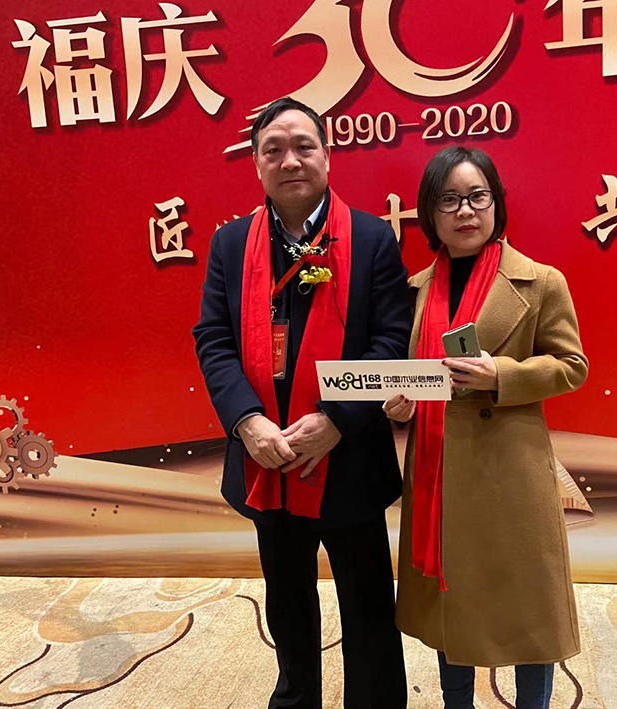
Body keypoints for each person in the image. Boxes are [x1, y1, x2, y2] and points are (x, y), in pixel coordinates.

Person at [193, 97, 410, 709]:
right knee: (287, 605)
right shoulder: (231, 244)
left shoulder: (371, 238)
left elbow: (393, 340)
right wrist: (247, 422)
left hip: (349, 459)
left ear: (327, 156)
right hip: (268, 458)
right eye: (274, 150)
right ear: (256, 163)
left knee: (368, 606)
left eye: (303, 146)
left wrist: (337, 420)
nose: (290, 160)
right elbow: (213, 339)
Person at [383, 147, 589, 709]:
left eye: (477, 196)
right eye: (448, 200)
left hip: (510, 471)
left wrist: (503, 375)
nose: (465, 211)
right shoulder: (415, 290)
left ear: (496, 203)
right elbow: (410, 374)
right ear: (430, 213)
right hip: (438, 473)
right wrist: (399, 404)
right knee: (452, 606)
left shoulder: (540, 282)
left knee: (528, 607)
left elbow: (572, 366)